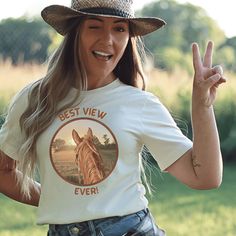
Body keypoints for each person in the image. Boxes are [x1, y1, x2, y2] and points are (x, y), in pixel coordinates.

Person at [0, 0, 226, 235]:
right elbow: (3, 171)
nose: (108, 40)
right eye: (94, 26)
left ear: (129, 38)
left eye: (119, 29)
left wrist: (202, 106)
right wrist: (57, 199)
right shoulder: (35, 98)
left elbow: (205, 177)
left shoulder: (140, 104)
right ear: (76, 32)